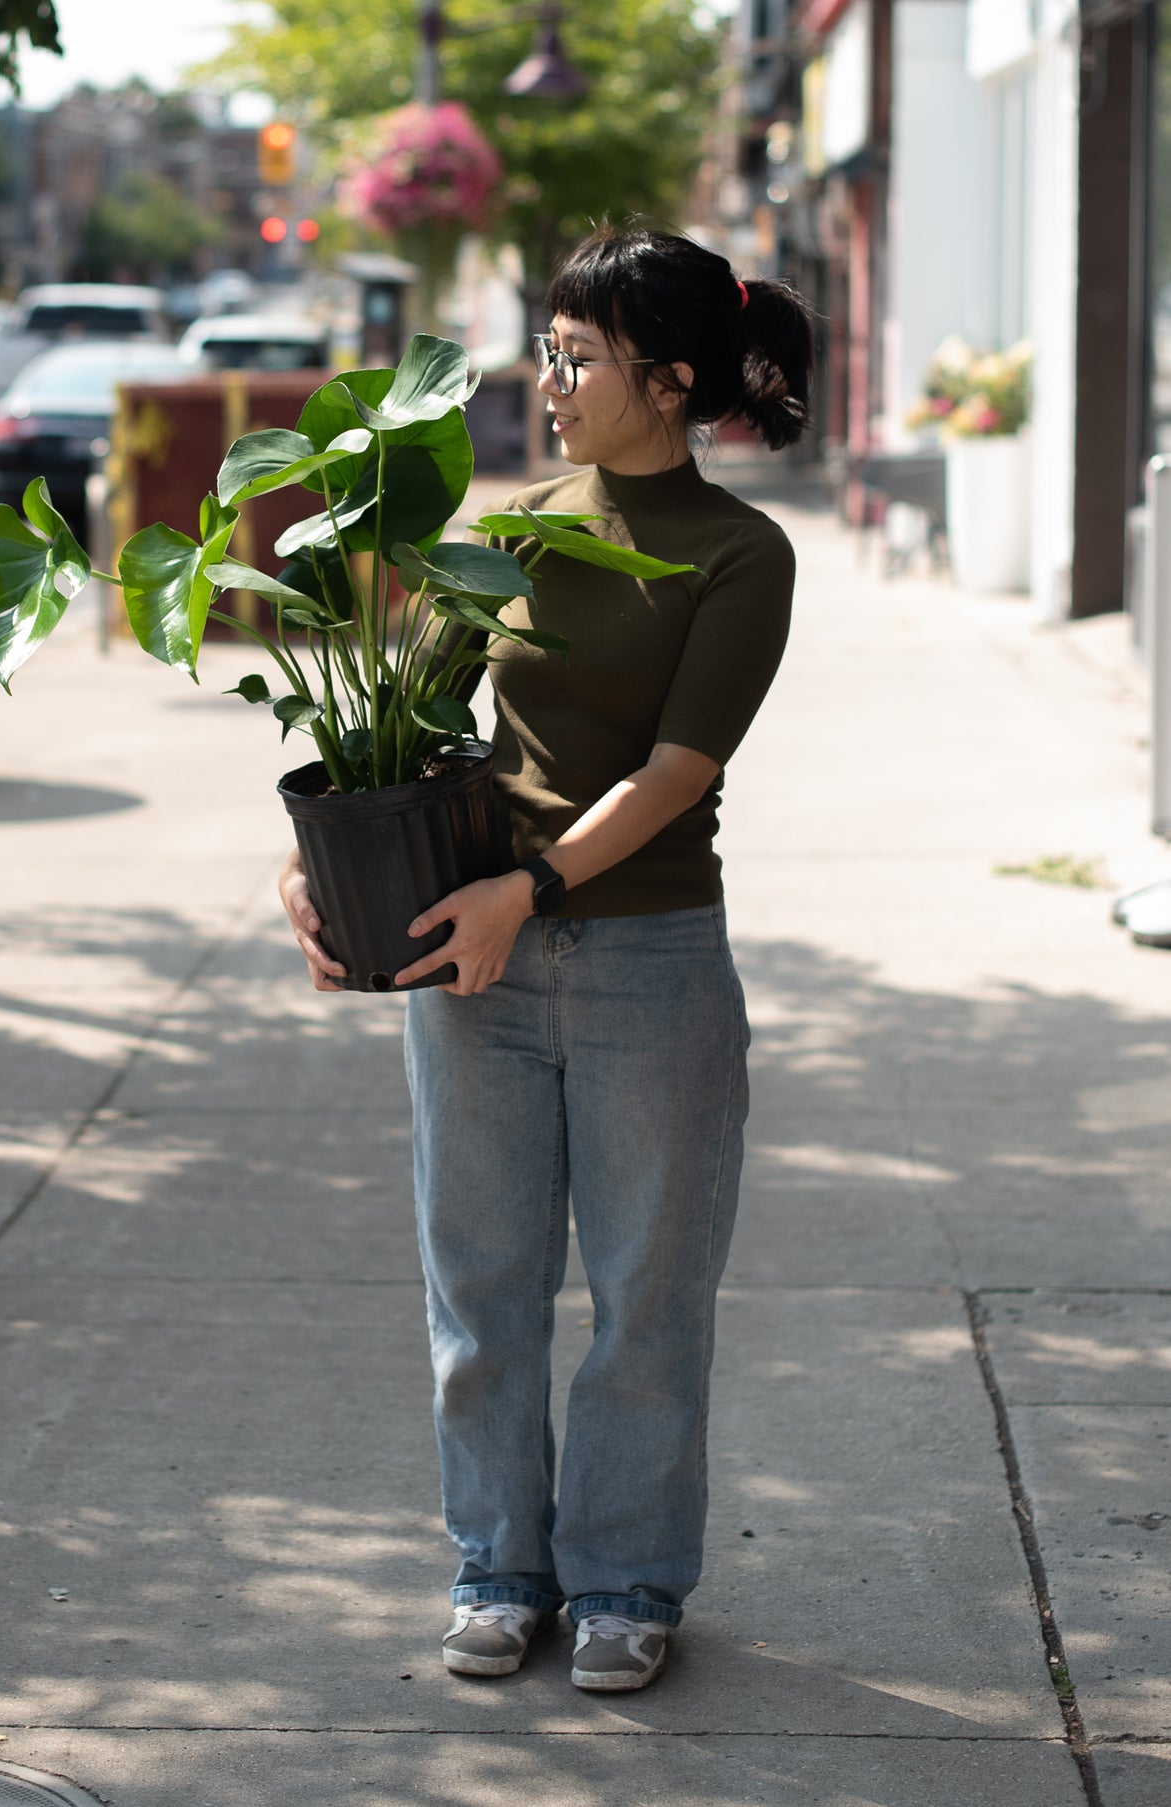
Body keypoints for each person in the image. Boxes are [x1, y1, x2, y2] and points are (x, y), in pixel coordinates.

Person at [279, 223, 813, 1692]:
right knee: (482, 1285)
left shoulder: (737, 554)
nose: (549, 379)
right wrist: (311, 861)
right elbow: (407, 722)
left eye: (576, 356)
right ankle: (498, 1570)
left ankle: (628, 1584)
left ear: (670, 377)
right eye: (548, 350)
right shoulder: (509, 528)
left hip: (647, 963)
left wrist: (532, 883)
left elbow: (674, 770)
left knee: (646, 1294)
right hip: (470, 960)